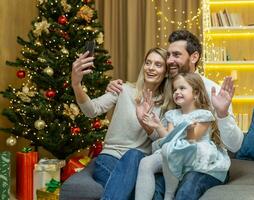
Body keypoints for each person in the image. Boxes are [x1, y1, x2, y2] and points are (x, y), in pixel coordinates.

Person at [106, 30, 244, 200]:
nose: (169, 60)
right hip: (171, 155)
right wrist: (115, 86)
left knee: (187, 186)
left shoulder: (212, 91)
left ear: (193, 57)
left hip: (200, 161)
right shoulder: (164, 87)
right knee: (153, 188)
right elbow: (140, 88)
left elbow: (235, 146)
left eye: (176, 55)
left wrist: (222, 114)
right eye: (169, 55)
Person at [71, 47, 168, 200]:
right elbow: (92, 110)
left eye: (158, 64)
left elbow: (161, 141)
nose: (151, 68)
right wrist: (76, 85)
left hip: (140, 165)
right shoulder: (123, 89)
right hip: (111, 158)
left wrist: (145, 123)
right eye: (148, 63)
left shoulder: (166, 105)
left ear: (166, 71)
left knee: (135, 155)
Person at [135, 73, 231, 200]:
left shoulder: (204, 115)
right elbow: (169, 138)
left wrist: (190, 130)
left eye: (182, 88)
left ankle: (169, 194)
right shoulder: (172, 115)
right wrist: (158, 126)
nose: (177, 92)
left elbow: (191, 141)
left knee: (169, 150)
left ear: (196, 94)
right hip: (172, 150)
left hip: (193, 153)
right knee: (146, 162)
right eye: (175, 89)